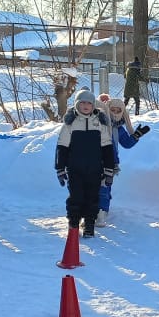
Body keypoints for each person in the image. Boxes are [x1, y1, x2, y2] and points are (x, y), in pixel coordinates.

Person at [55, 90, 116, 238]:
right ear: (77, 104)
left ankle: (89, 225)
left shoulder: (100, 122)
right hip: (75, 169)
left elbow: (107, 147)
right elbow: (62, 147)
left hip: (95, 169)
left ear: (93, 105)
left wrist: (109, 169)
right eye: (82, 102)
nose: (86, 106)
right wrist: (60, 168)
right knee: (75, 197)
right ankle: (74, 224)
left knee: (92, 197)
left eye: (89, 103)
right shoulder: (70, 123)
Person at [97, 97, 149, 226]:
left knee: (105, 188)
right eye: (112, 110)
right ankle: (91, 212)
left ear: (123, 112)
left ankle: (102, 213)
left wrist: (136, 135)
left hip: (111, 163)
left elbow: (126, 143)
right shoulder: (99, 124)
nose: (115, 113)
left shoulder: (119, 128)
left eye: (118, 110)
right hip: (95, 161)